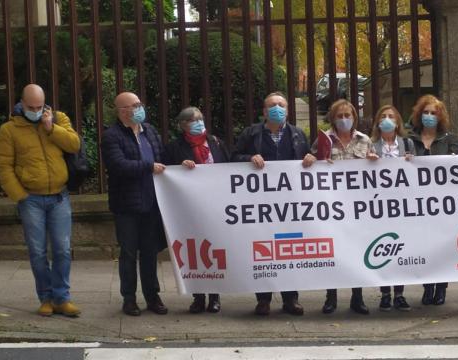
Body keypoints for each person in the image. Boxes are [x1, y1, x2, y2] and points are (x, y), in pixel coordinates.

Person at [0, 84, 81, 317]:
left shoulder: (58, 118)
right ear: (22, 104)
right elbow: (3, 166)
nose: (35, 110)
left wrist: (50, 127)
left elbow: (74, 144)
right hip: (31, 199)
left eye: (39, 106)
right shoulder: (9, 130)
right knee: (38, 252)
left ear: (45, 104)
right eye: (31, 107)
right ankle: (46, 297)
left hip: (59, 196)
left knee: (63, 249)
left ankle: (62, 298)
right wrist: (19, 195)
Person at [232, 92, 309, 316]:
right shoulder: (251, 134)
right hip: (260, 205)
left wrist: (310, 158)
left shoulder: (298, 134)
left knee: (289, 249)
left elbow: (309, 159)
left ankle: (290, 298)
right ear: (264, 112)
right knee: (263, 249)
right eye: (272, 105)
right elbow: (233, 157)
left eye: (281, 105)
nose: (277, 108)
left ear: (287, 110)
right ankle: (263, 299)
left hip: (290, 205)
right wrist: (248, 159)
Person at [302, 99, 375, 315]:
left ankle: (357, 297)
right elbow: (311, 162)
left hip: (357, 208)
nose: (344, 119)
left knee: (357, 250)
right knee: (332, 251)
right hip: (331, 207)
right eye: (340, 116)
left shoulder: (364, 140)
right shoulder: (324, 140)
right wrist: (309, 158)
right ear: (333, 118)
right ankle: (331, 297)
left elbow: (375, 172)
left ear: (354, 116)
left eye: (348, 115)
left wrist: (375, 162)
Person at [102, 92, 168, 316]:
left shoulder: (150, 131)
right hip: (127, 205)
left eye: (140, 104)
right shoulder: (112, 136)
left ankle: (153, 296)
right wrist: (148, 166)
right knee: (128, 253)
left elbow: (163, 159)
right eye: (134, 106)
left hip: (151, 203)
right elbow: (118, 165)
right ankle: (129, 298)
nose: (139, 108)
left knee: (150, 253)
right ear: (122, 111)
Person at [163, 106, 229, 314]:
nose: (199, 122)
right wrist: (179, 166)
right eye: (193, 120)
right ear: (183, 125)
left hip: (216, 204)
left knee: (215, 249)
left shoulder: (216, 143)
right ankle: (198, 296)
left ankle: (215, 296)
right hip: (189, 207)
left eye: (200, 118)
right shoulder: (175, 147)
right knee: (195, 251)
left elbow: (230, 165)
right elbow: (165, 171)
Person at [408, 94, 458, 306]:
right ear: (420, 115)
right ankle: (427, 287)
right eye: (426, 113)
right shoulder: (410, 139)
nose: (429, 116)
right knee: (423, 247)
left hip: (442, 204)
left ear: (440, 117)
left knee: (442, 247)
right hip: (418, 204)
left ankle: (441, 288)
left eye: (433, 113)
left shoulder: (449, 139)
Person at [368, 104, 414, 312]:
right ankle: (385, 293)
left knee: (400, 248)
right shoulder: (371, 144)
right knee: (383, 248)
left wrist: (411, 162)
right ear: (378, 122)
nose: (387, 120)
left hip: (402, 205)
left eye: (391, 117)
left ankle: (400, 294)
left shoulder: (407, 143)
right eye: (383, 116)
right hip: (378, 206)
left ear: (397, 122)